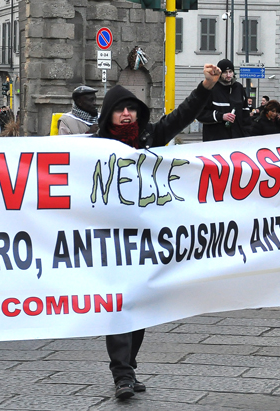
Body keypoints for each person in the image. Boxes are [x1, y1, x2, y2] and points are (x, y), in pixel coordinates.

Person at [92, 63, 220, 400]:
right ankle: (122, 373)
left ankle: (129, 366)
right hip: (110, 240)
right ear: (109, 114)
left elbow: (182, 115)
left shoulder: (150, 137)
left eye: (131, 109)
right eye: (119, 109)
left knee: (139, 304)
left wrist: (206, 86)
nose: (126, 114)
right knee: (120, 305)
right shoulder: (93, 147)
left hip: (146, 238)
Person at [197, 59, 250, 141]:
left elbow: (246, 115)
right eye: (225, 72)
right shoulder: (211, 88)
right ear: (220, 73)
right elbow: (200, 114)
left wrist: (247, 134)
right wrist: (221, 116)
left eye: (230, 71)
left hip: (237, 139)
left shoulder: (239, 88)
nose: (228, 75)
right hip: (216, 140)